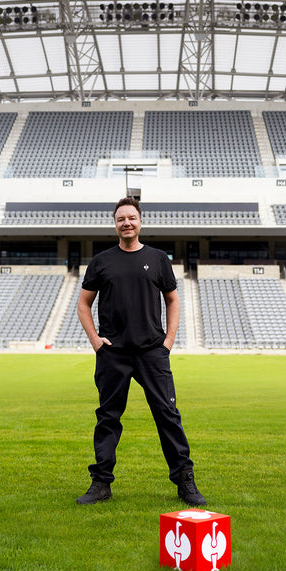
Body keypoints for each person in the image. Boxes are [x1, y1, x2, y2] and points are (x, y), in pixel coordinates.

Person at [75, 196, 206, 507]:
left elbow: (173, 300)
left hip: (151, 352)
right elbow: (83, 303)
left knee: (168, 416)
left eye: (131, 218)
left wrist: (168, 343)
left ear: (140, 221)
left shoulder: (159, 259)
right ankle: (101, 484)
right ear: (115, 224)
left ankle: (185, 481)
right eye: (121, 219)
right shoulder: (102, 261)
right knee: (108, 418)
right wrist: (95, 340)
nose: (126, 223)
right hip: (113, 354)